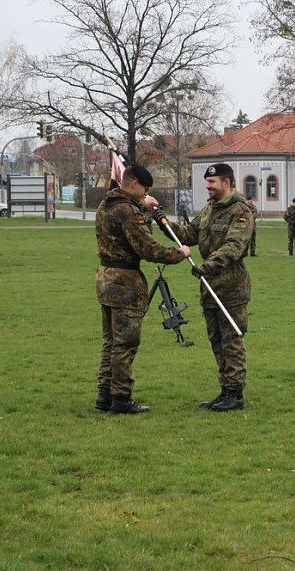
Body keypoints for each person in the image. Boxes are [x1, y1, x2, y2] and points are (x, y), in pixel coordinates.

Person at [95, 164, 191, 415]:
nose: (145, 194)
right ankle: (122, 398)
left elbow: (127, 233)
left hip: (105, 278)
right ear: (134, 183)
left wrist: (143, 209)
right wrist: (179, 253)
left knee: (111, 343)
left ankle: (105, 394)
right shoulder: (127, 210)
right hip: (125, 282)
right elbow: (147, 248)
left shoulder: (106, 205)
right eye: (144, 189)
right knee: (125, 344)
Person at [162, 162, 254, 412]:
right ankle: (224, 390)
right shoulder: (208, 210)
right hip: (209, 286)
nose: (208, 186)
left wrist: (208, 265)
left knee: (231, 340)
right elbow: (189, 234)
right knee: (216, 340)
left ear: (226, 182)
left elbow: (234, 246)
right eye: (207, 182)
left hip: (231, 286)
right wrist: (163, 223)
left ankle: (235, 393)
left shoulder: (240, 211)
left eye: (212, 183)